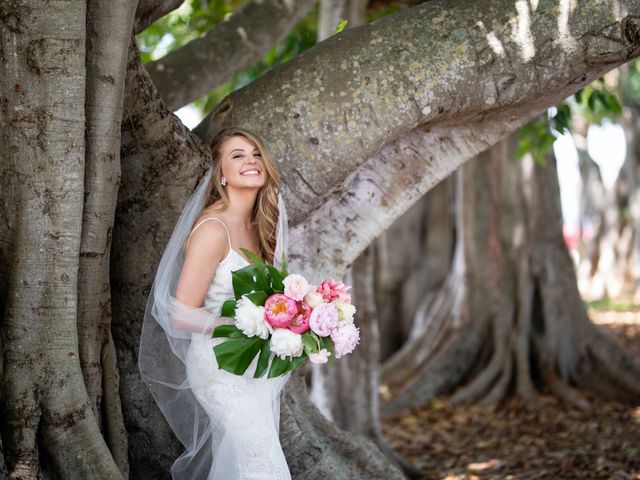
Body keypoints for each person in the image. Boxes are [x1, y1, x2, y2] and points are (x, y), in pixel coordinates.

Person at [138, 126, 292, 479]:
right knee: (262, 463)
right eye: (237, 155)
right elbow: (179, 312)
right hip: (219, 367)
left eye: (256, 154)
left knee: (243, 461)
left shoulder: (262, 226)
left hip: (254, 362)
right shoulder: (213, 229)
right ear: (220, 173)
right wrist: (244, 324)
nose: (251, 161)